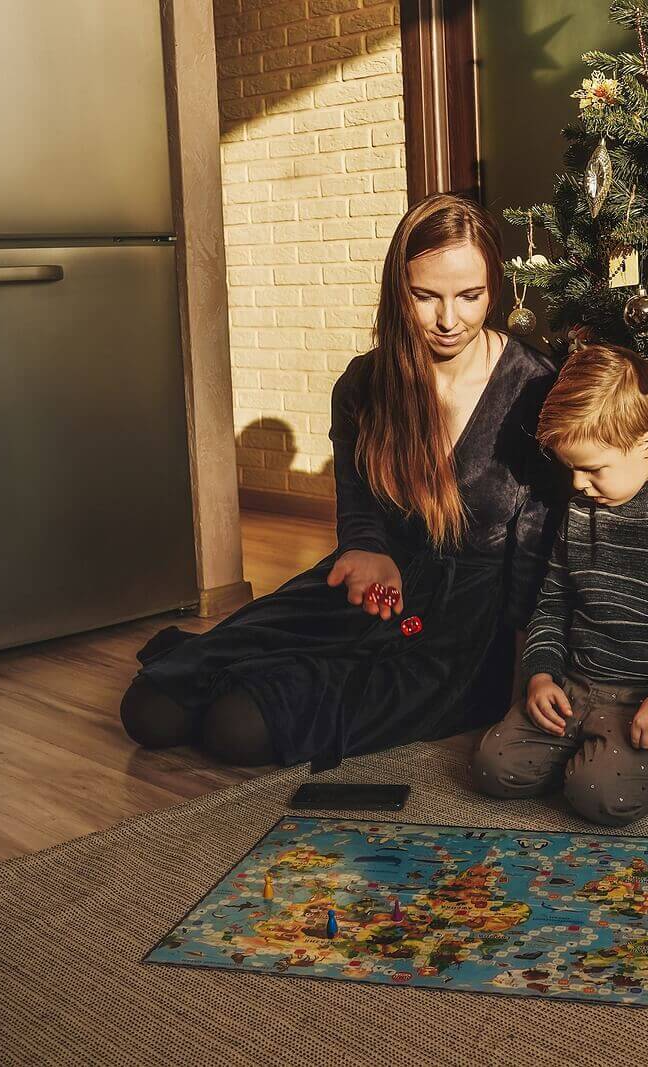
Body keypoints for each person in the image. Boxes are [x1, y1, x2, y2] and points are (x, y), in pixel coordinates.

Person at [119, 194, 559, 773]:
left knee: (237, 727)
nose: (448, 320)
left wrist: (529, 668)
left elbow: (537, 553)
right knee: (151, 709)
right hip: (374, 591)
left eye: (469, 297)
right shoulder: (365, 383)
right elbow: (358, 505)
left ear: (495, 289)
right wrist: (366, 548)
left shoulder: (536, 388)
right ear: (397, 291)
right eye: (425, 297)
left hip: (460, 629)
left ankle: (267, 687)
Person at [470, 344, 648, 825]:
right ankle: (587, 747)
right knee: (492, 767)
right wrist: (539, 675)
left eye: (592, 468)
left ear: (647, 443)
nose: (578, 484)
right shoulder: (581, 513)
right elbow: (554, 605)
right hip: (578, 685)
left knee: (598, 794)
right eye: (571, 469)